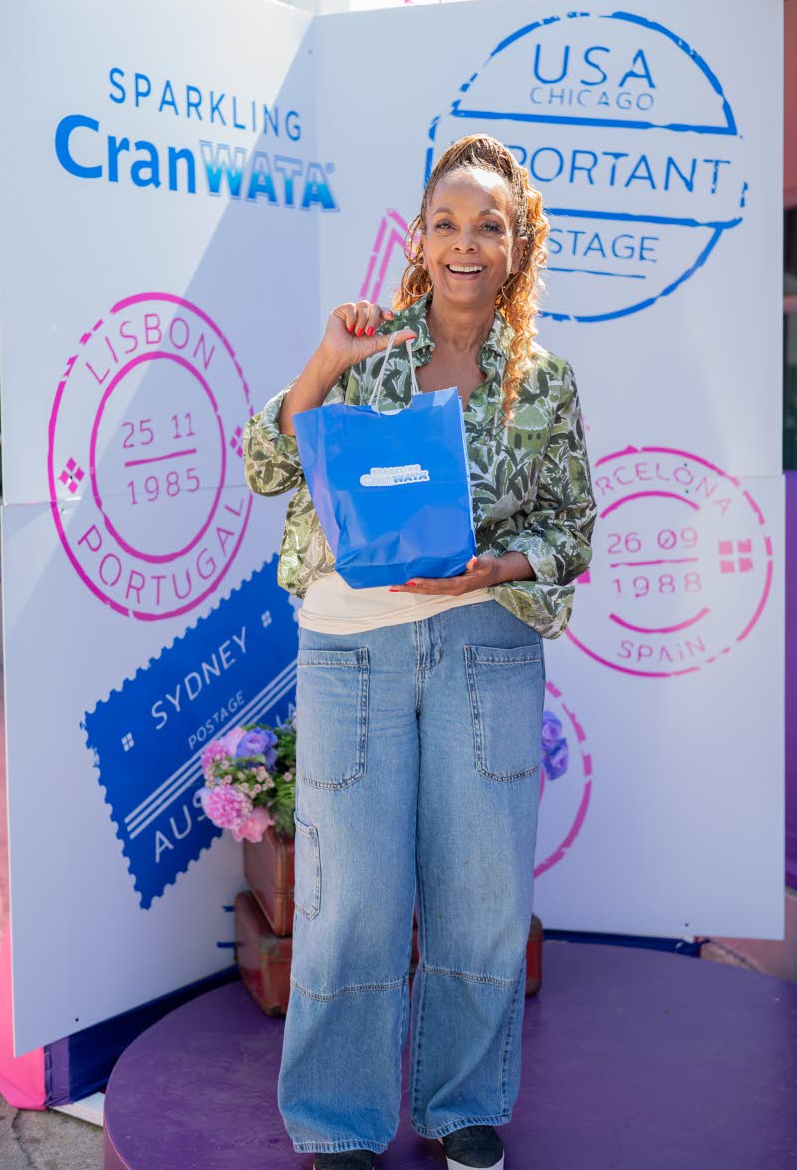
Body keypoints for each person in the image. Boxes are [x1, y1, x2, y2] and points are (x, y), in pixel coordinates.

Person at [243, 133, 597, 1170]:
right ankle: (340, 1120)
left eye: (488, 223)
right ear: (418, 238)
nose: (464, 242)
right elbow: (267, 464)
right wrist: (320, 364)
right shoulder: (368, 352)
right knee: (352, 894)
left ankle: (462, 1106)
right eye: (445, 222)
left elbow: (573, 527)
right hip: (353, 651)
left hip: (487, 646)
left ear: (519, 244)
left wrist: (494, 571)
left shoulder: (549, 384)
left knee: (485, 896)